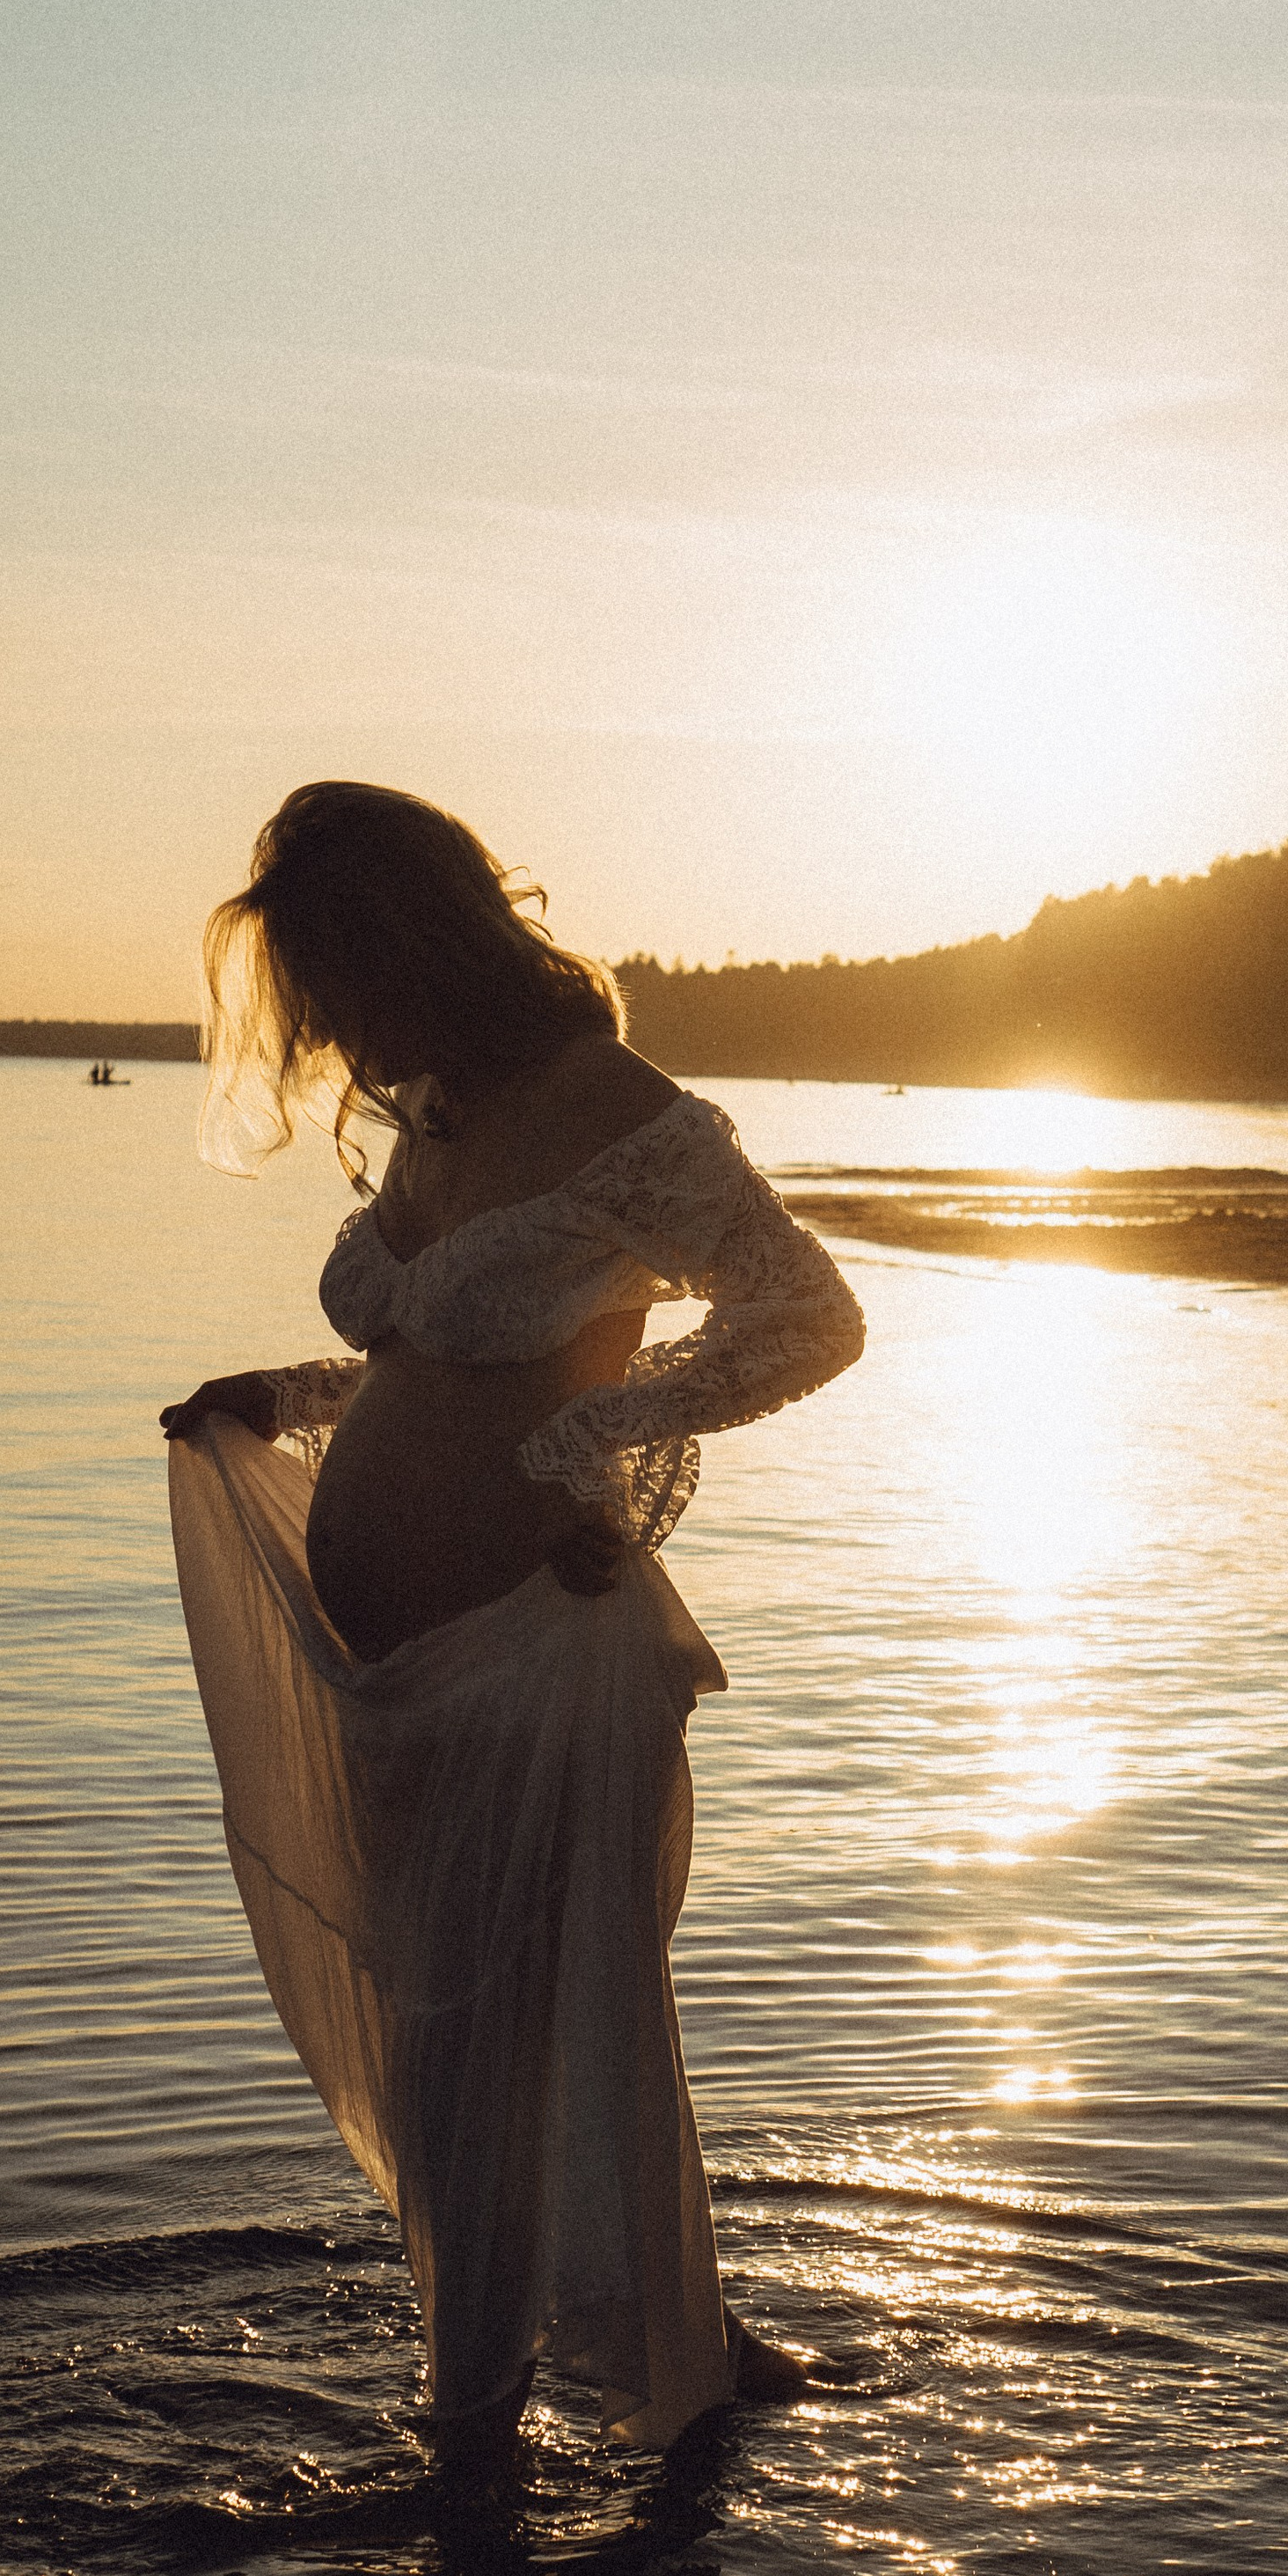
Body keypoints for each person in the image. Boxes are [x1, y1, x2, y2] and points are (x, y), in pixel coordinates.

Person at [159, 782, 866, 2462]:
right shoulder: (449, 1109)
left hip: (549, 1655)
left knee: (534, 2034)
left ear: (422, 940)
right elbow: (448, 1359)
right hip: (405, 1675)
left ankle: (485, 2448)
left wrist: (596, 1448)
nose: (327, 1023)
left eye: (341, 975)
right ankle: (622, 2365)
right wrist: (297, 1390)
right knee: (461, 2048)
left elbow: (808, 1313)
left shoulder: (621, 1109)